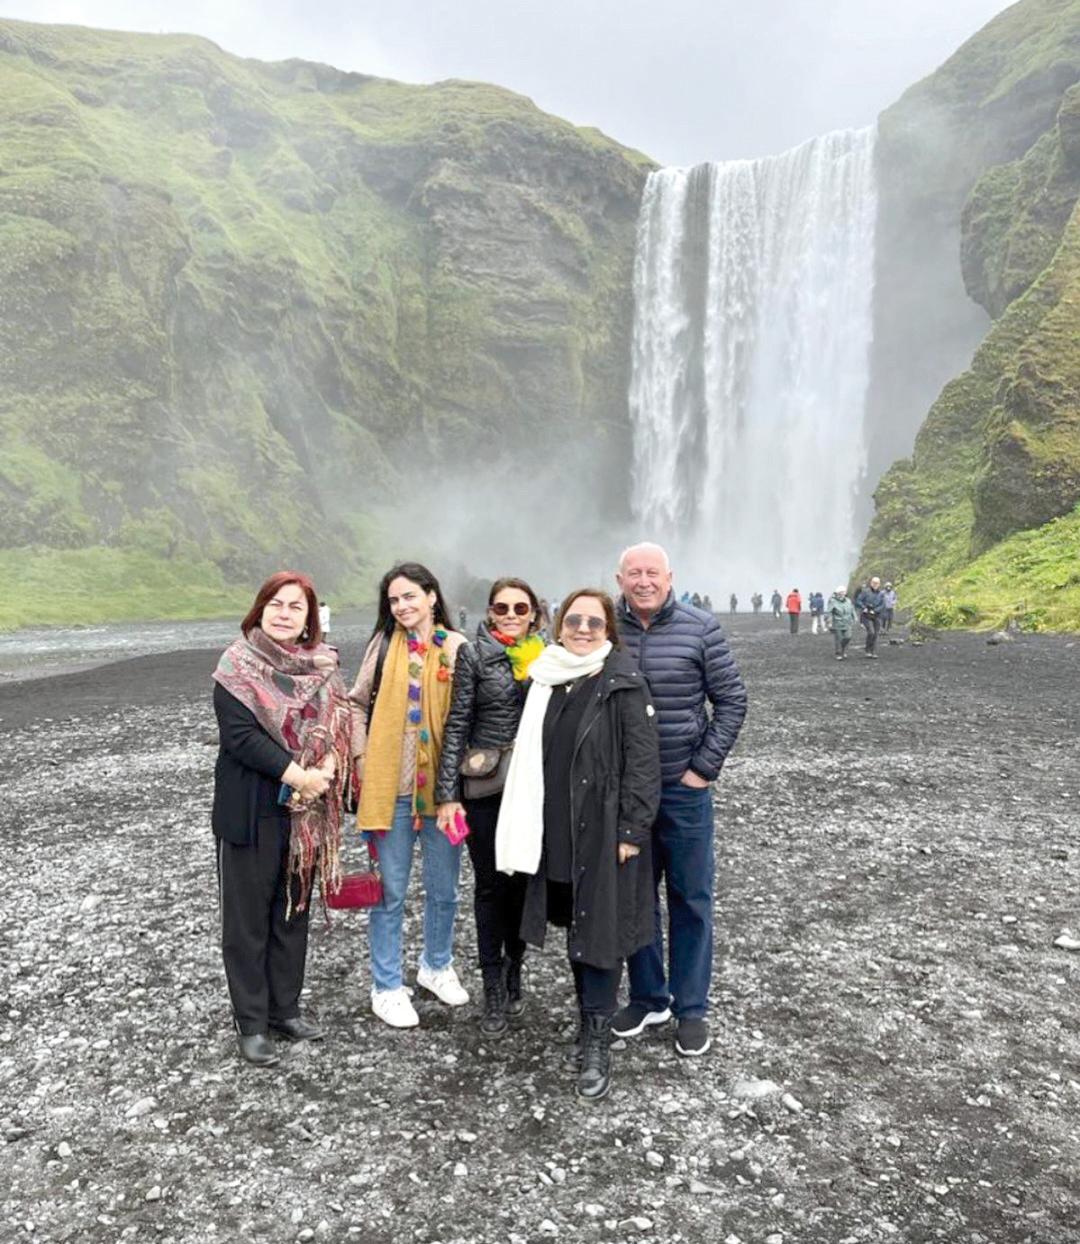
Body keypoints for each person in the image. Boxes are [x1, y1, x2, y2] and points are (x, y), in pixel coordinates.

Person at [496, 588, 660, 1099]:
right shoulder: (546, 678)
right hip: (554, 829)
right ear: (559, 625)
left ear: (608, 628)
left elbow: (643, 762)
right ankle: (586, 1014)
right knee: (576, 922)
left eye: (594, 622)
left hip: (604, 829)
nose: (583, 629)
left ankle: (595, 1036)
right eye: (574, 620)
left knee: (602, 929)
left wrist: (632, 830)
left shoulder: (624, 683)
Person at [211, 571, 353, 1067]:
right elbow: (241, 737)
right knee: (247, 920)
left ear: (309, 618)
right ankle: (251, 1023)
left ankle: (284, 1009)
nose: (284, 613)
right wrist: (300, 776)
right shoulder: (236, 665)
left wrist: (330, 765)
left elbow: (338, 724)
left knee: (292, 911)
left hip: (305, 816)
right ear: (259, 609)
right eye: (276, 603)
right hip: (252, 808)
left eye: (296, 606)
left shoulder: (322, 669)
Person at [612, 543, 747, 1057]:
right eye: (634, 573)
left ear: (670, 577)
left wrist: (702, 769)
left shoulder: (701, 627)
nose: (643, 581)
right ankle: (650, 996)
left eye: (653, 573)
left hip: (683, 791)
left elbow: (732, 700)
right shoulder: (605, 627)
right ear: (619, 579)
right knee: (635, 899)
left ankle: (691, 1008)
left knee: (692, 898)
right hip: (627, 795)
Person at [349, 563, 469, 1028]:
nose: (402, 606)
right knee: (389, 893)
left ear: (432, 596)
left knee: (445, 890)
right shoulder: (381, 647)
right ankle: (386, 986)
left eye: (410, 596)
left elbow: (469, 714)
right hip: (388, 790)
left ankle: (436, 965)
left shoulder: (457, 648)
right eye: (394, 600)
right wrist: (362, 759)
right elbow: (356, 703)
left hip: (443, 795)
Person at [436, 577, 546, 1037]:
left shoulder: (550, 658)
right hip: (485, 786)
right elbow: (457, 721)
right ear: (490, 611)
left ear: (534, 614)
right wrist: (446, 795)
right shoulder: (474, 655)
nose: (511, 616)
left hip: (533, 788)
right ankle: (493, 988)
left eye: (520, 609)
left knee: (522, 883)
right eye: (502, 608)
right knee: (488, 887)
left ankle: (514, 966)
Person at [854, 576, 886, 659]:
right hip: (866, 614)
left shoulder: (881, 594)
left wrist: (875, 610)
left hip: (876, 615)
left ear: (879, 584)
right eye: (874, 583)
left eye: (877, 583)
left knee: (876, 634)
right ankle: (867, 650)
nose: (875, 584)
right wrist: (863, 607)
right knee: (870, 632)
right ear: (871, 583)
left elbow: (883, 605)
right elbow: (858, 600)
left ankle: (873, 651)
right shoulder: (865, 592)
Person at [825, 586, 856, 659]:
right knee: (839, 639)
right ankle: (838, 653)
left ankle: (843, 650)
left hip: (847, 622)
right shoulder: (833, 601)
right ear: (837, 593)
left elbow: (852, 609)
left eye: (844, 592)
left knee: (848, 637)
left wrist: (854, 617)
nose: (842, 594)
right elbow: (829, 612)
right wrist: (829, 621)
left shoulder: (848, 600)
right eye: (841, 592)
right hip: (838, 622)